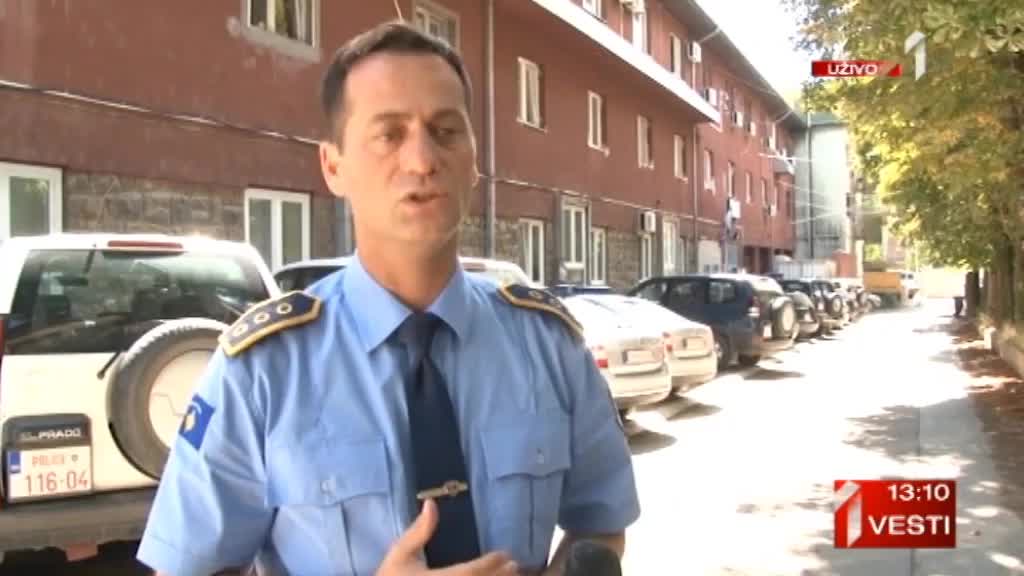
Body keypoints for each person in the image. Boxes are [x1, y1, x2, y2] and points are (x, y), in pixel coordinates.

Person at [136, 20, 640, 576]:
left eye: (445, 131)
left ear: (475, 160)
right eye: (389, 134)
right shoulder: (260, 372)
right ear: (333, 166)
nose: (422, 160)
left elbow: (600, 525)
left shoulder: (548, 347)